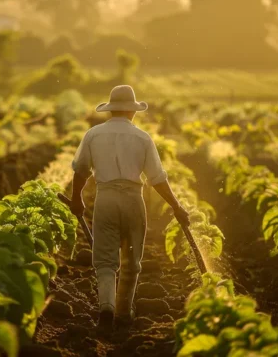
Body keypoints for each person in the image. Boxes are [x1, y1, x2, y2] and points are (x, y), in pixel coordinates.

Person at [70, 84, 190, 329]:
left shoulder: (93, 135)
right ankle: (123, 313)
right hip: (134, 200)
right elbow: (157, 179)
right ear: (132, 111)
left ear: (111, 110)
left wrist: (76, 198)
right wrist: (176, 206)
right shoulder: (142, 138)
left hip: (106, 198)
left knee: (104, 260)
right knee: (132, 260)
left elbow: (80, 170)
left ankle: (106, 307)